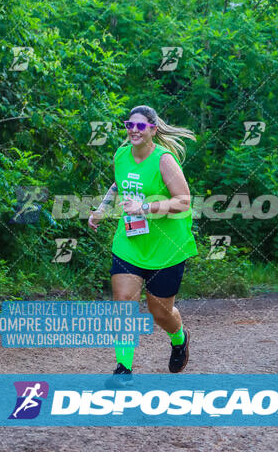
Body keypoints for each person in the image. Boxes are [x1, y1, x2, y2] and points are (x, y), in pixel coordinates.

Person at [89, 105, 198, 384]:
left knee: (160, 312)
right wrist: (101, 208)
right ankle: (123, 370)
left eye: (140, 126)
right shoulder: (121, 155)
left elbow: (184, 203)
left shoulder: (164, 160)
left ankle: (179, 338)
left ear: (153, 130)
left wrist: (145, 207)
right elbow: (118, 185)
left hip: (167, 247)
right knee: (123, 300)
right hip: (130, 241)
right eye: (130, 125)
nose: (134, 130)